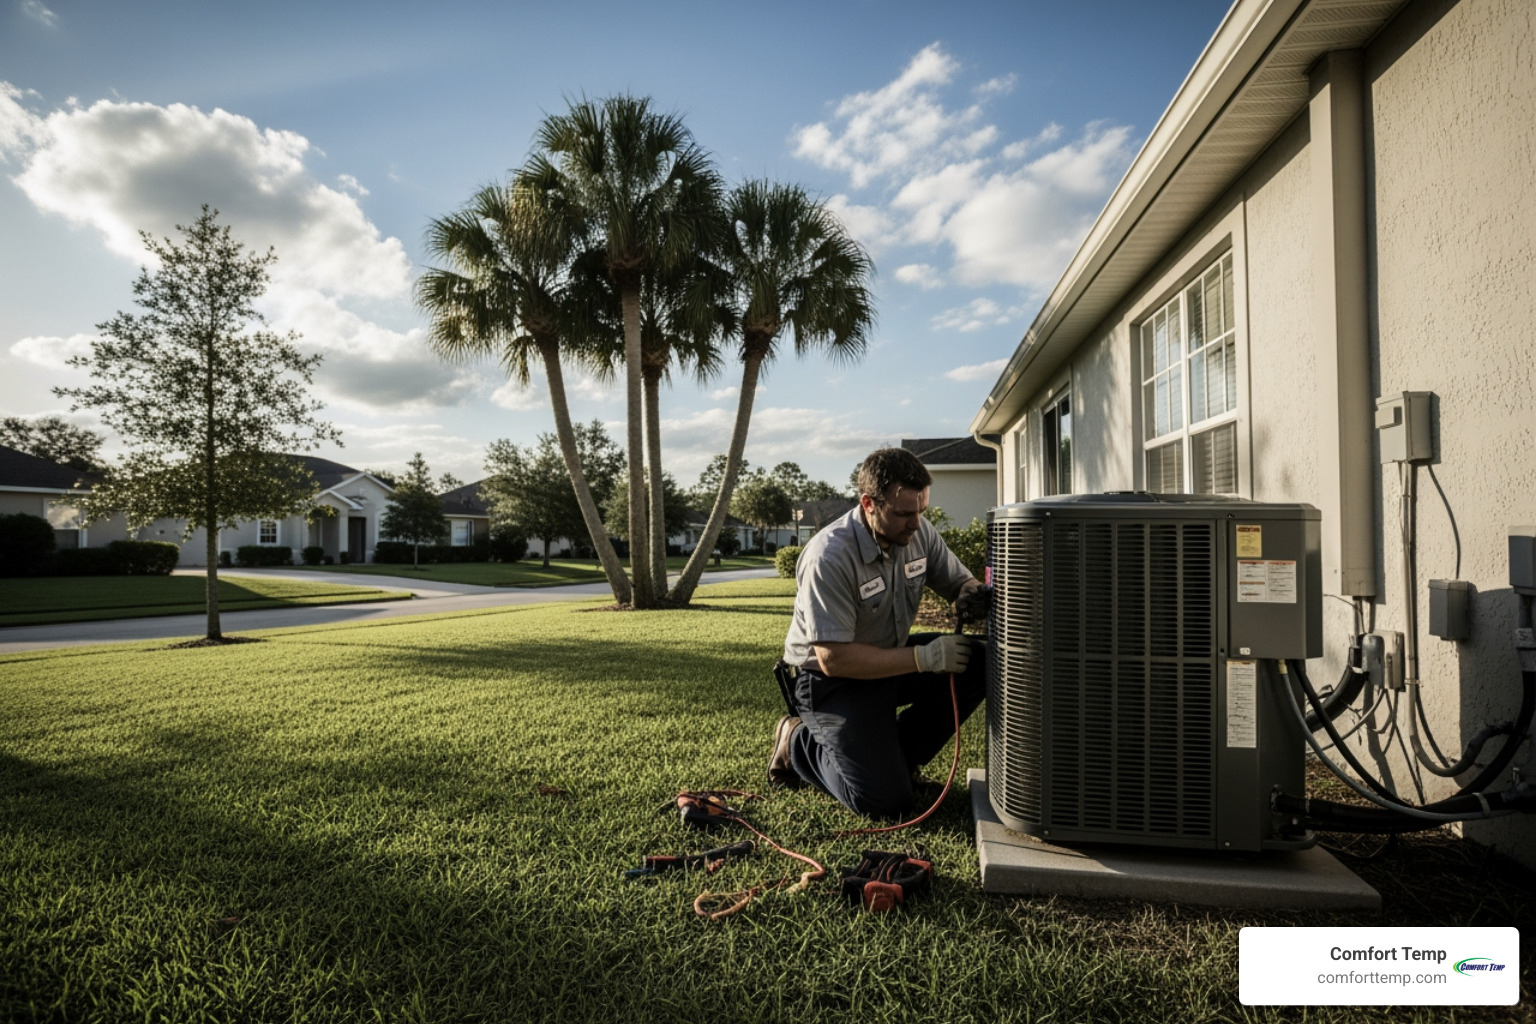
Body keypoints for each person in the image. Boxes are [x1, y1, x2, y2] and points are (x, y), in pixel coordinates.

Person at [770, 446, 990, 818]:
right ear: (869, 504)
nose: (916, 523)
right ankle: (796, 743)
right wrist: (925, 657)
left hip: (890, 661)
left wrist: (970, 594)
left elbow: (958, 582)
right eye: (904, 513)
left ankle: (899, 763)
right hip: (830, 682)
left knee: (978, 661)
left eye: (921, 510)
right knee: (885, 802)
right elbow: (833, 658)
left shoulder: (918, 533)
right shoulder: (829, 557)